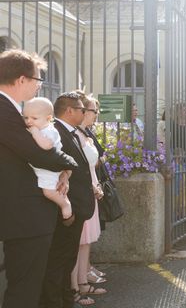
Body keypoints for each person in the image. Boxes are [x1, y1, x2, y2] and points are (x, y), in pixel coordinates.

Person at [0, 49, 77, 308]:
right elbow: (38, 154)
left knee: (27, 286)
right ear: (22, 79)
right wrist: (70, 164)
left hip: (25, 216)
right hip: (23, 217)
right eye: (37, 80)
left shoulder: (12, 109)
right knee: (24, 290)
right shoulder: (3, 108)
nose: (39, 86)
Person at [40, 91, 96, 308]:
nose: (85, 112)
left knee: (68, 258)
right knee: (59, 259)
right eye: (83, 109)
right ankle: (54, 302)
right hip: (65, 209)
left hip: (77, 207)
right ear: (70, 110)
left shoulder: (71, 131)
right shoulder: (56, 131)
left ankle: (65, 299)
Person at [71, 93, 106, 306]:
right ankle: (74, 288)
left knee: (86, 242)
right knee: (77, 242)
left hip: (92, 186)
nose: (95, 114)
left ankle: (83, 282)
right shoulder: (74, 134)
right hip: (84, 188)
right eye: (93, 110)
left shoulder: (86, 134)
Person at [22, 97, 74, 225]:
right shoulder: (40, 128)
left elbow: (46, 146)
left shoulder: (49, 131)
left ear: (48, 118)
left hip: (48, 169)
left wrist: (34, 132)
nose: (29, 121)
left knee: (49, 192)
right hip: (41, 168)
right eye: (26, 117)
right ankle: (63, 198)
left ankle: (65, 204)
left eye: (34, 118)